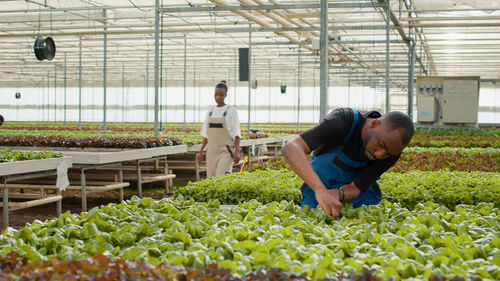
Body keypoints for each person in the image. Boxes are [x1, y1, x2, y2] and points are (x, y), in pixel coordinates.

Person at [282, 108, 414, 219]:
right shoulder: (342, 122)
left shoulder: (393, 151)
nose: (380, 155)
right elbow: (291, 147)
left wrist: (339, 194)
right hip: (318, 186)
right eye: (380, 144)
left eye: (388, 153)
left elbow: (356, 188)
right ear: (374, 124)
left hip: (354, 199)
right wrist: (320, 190)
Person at [196, 81, 241, 177]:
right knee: (210, 178)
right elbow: (206, 135)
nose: (218, 97)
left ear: (225, 95)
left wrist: (237, 151)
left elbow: (236, 133)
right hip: (211, 151)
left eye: (221, 95)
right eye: (216, 95)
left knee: (221, 177)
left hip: (225, 151)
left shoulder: (231, 111)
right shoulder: (210, 111)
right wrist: (200, 152)